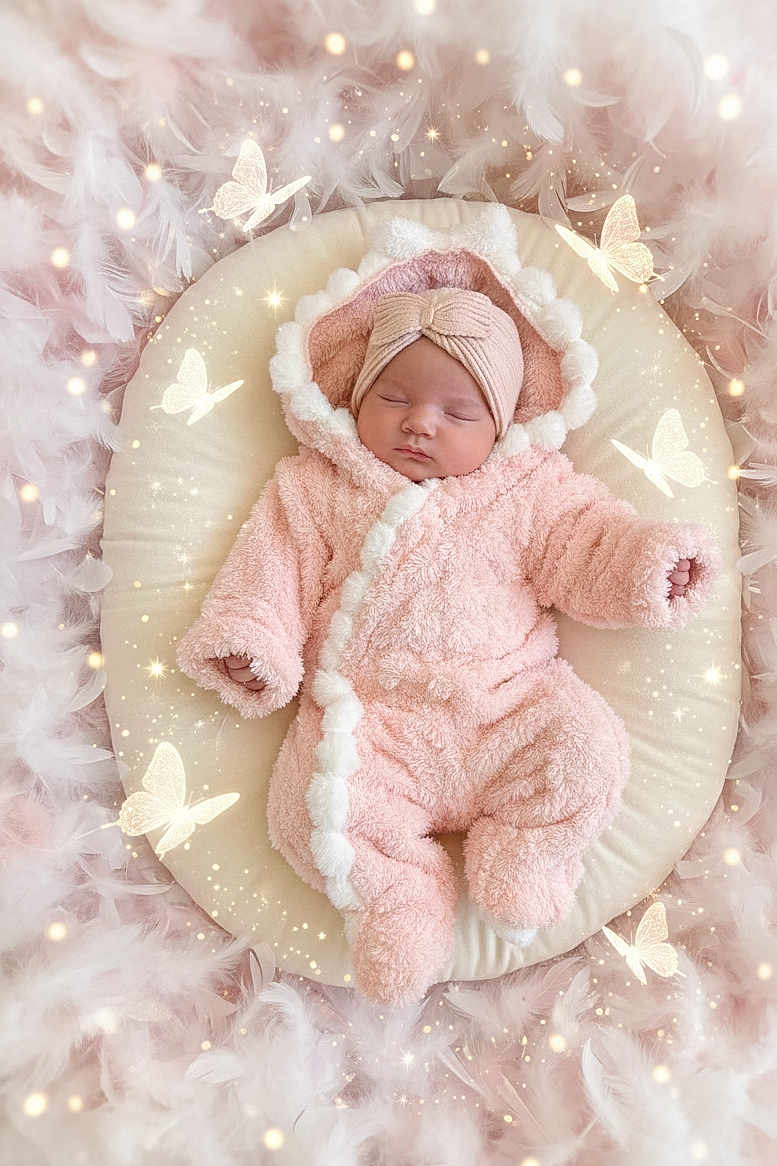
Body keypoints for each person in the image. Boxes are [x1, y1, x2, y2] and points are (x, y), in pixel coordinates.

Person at [177, 277, 720, 1008]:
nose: (420, 424)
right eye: (394, 399)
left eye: (458, 411)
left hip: (509, 709)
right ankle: (399, 900)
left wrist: (644, 564)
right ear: (356, 396)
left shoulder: (526, 488)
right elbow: (271, 565)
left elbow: (586, 544)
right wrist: (252, 640)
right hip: (375, 726)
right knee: (311, 814)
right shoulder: (317, 486)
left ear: (499, 426)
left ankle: (527, 851)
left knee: (588, 750)